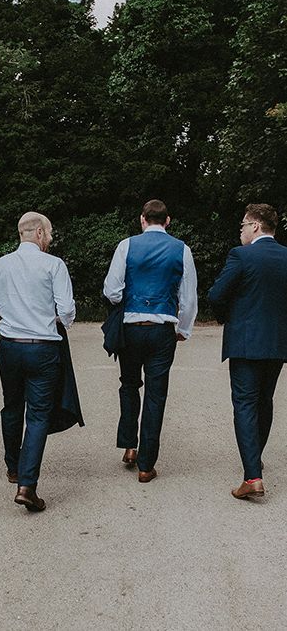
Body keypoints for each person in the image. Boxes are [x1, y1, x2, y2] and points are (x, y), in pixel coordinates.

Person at [0, 212, 76, 513]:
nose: (50, 238)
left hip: (10, 348)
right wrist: (59, 320)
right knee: (37, 416)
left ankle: (13, 467)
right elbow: (68, 310)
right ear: (38, 233)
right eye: (49, 233)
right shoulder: (53, 265)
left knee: (11, 406)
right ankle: (27, 486)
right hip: (43, 348)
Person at [103, 199, 197, 482]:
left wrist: (128, 301)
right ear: (167, 221)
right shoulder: (182, 250)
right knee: (156, 394)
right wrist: (183, 328)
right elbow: (189, 297)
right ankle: (146, 464)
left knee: (129, 385)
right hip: (161, 330)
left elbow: (111, 290)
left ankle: (130, 446)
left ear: (142, 219)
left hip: (131, 329)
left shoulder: (126, 246)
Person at [208, 204, 287, 500]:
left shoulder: (241, 255)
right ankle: (255, 459)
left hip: (245, 342)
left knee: (244, 403)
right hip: (278, 343)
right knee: (264, 401)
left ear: (255, 226)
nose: (240, 231)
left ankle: (252, 476)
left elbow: (216, 294)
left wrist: (227, 314)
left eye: (243, 225)